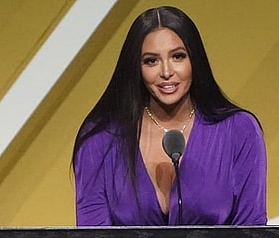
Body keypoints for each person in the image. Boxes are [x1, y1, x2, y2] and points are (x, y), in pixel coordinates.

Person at [72, 6, 267, 226]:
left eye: (178, 56)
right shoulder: (100, 139)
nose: (166, 71)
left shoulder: (239, 131)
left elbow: (252, 237)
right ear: (136, 67)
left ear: (195, 60)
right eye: (151, 61)